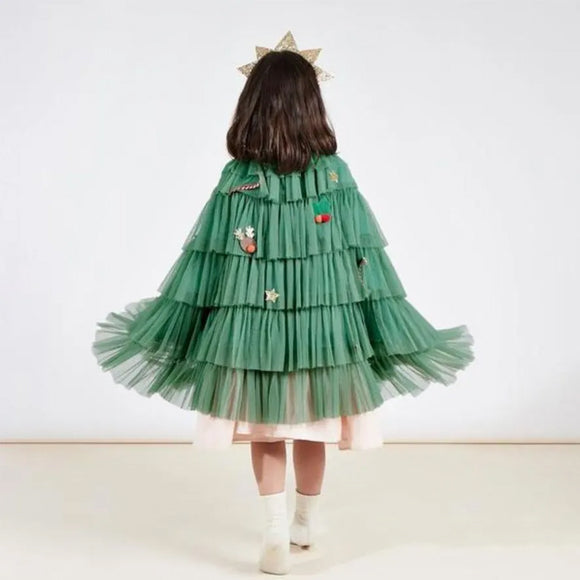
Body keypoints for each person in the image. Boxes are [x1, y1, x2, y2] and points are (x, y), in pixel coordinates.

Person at [91, 32, 474, 575]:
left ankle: (273, 533)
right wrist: (371, 318)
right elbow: (361, 253)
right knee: (314, 424)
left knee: (266, 428)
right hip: (324, 330)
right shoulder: (335, 175)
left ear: (252, 105)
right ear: (312, 104)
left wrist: (199, 317)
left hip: (252, 327)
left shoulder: (238, 178)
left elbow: (209, 255)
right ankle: (304, 526)